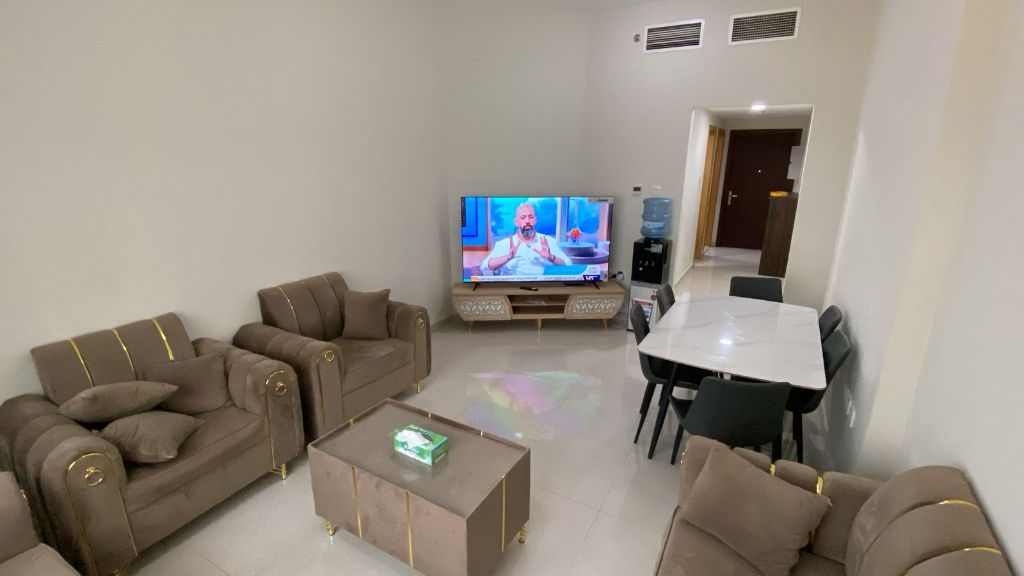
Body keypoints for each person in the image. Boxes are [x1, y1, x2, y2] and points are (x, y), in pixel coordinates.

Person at [480, 202, 572, 276]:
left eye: (531, 217)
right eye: (523, 218)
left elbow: (568, 265)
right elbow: (485, 267)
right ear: (516, 222)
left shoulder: (548, 241)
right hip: (513, 288)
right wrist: (507, 257)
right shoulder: (504, 244)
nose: (527, 221)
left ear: (535, 220)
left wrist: (551, 257)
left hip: (542, 287)